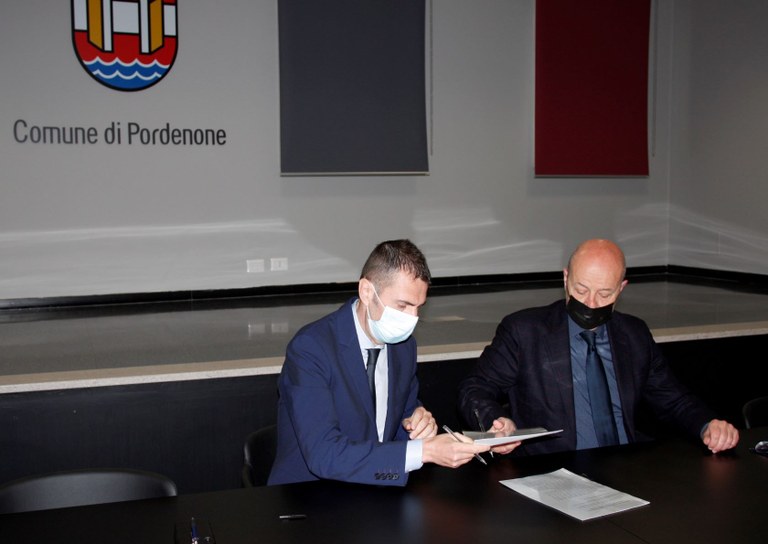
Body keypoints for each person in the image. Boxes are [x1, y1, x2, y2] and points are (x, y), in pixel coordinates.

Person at [458, 238, 739, 456]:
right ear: (565, 279)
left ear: (621, 289)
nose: (591, 303)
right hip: (554, 468)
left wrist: (707, 425)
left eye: (604, 294)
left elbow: (673, 400)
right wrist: (496, 422)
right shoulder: (525, 331)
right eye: (581, 290)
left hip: (627, 465)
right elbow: (475, 389)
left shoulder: (634, 334)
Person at [269, 239, 489, 486]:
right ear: (366, 291)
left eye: (419, 307)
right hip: (310, 495)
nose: (413, 319)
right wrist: (424, 451)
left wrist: (416, 423)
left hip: (375, 485)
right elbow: (324, 455)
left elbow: (398, 418)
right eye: (402, 305)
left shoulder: (403, 347)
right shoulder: (311, 348)